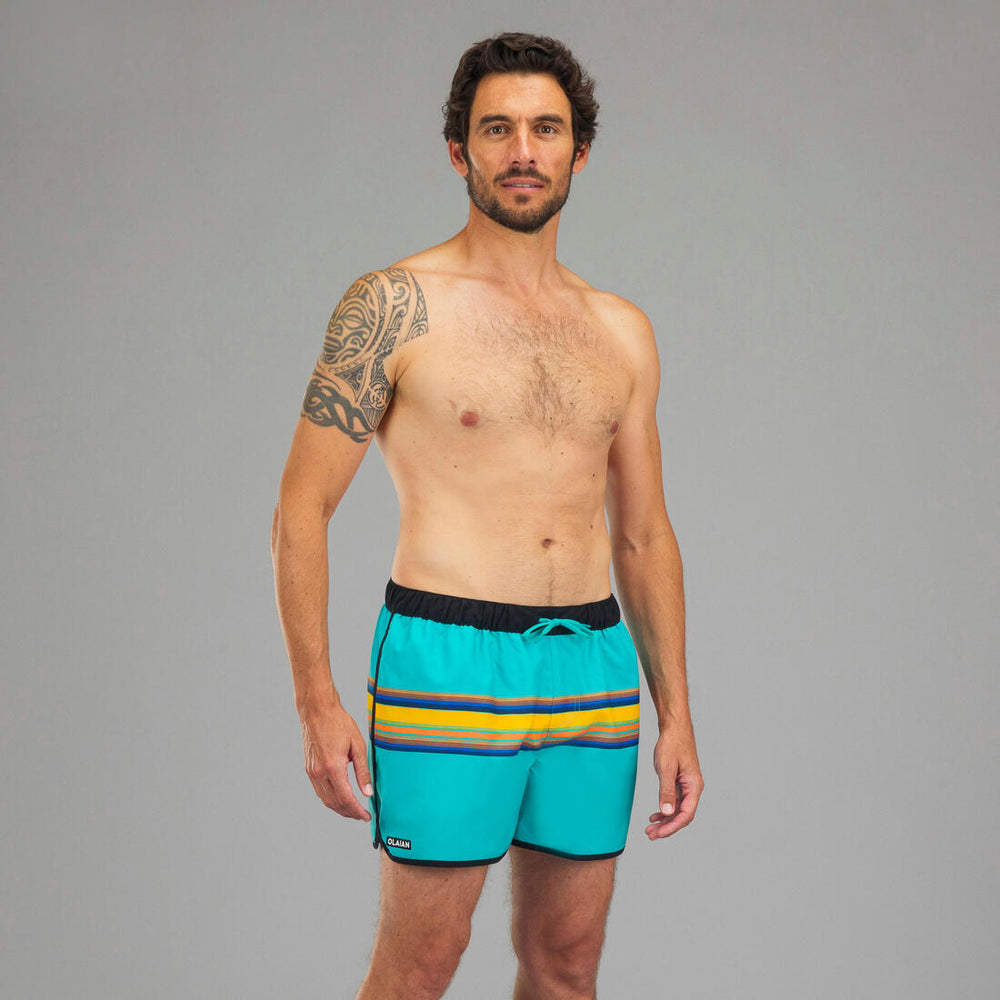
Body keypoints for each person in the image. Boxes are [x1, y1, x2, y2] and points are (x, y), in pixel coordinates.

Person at [272, 31, 703, 1000]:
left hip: (592, 665)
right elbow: (301, 508)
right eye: (496, 128)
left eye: (545, 129)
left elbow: (643, 534)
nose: (521, 150)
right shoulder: (393, 305)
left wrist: (677, 714)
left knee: (567, 967)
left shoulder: (620, 329)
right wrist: (315, 702)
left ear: (579, 152)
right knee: (422, 964)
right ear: (457, 150)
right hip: (447, 655)